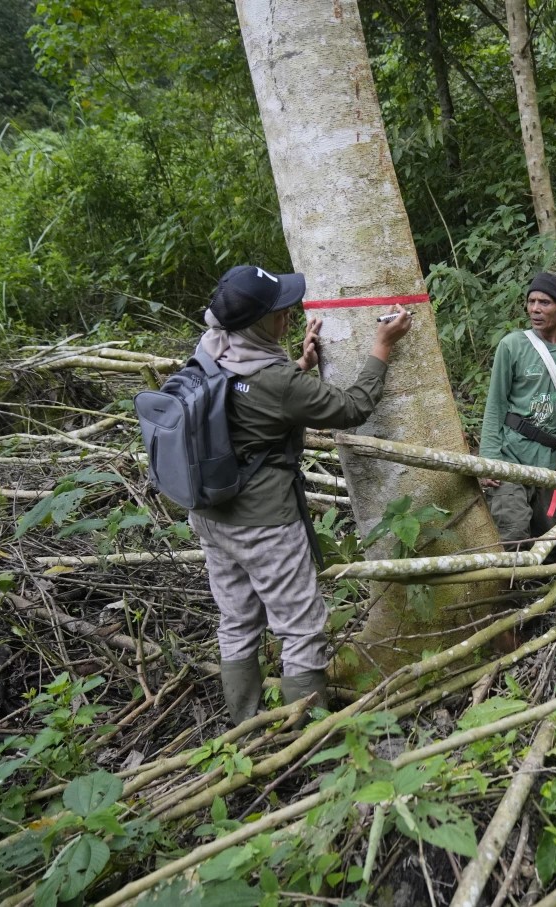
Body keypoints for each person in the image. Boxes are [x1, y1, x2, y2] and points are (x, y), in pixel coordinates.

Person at [191, 264, 412, 724]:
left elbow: (245, 398)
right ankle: (307, 743)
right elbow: (353, 407)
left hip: (212, 514)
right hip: (264, 523)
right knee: (302, 627)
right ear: (256, 323)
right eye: (278, 312)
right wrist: (381, 347)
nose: (288, 315)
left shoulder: (209, 351)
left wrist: (298, 366)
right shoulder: (276, 383)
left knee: (236, 620)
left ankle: (245, 729)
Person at [479, 272, 556, 547]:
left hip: (552, 463)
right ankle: (510, 586)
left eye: (544, 302)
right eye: (531, 301)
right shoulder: (512, 346)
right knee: (513, 533)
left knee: (554, 544)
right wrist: (488, 460)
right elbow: (495, 405)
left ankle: (538, 587)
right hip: (511, 458)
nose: (535, 309)